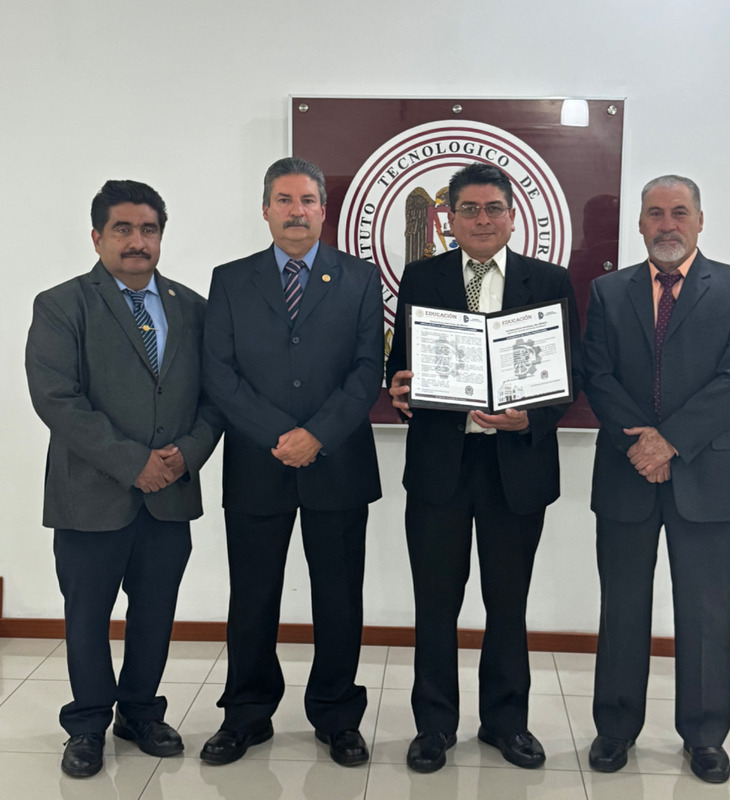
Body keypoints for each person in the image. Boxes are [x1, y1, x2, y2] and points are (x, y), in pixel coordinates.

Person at [386, 163, 581, 773]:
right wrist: (400, 388)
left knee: (508, 601)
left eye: (494, 208)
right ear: (449, 218)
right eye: (468, 209)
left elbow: (569, 376)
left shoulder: (548, 280)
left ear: (513, 216)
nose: (482, 219)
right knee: (435, 602)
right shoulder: (422, 277)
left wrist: (532, 419)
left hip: (515, 466)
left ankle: (506, 722)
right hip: (441, 465)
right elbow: (399, 367)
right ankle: (434, 725)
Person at [25, 180, 220, 778]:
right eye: (123, 229)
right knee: (87, 615)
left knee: (155, 612)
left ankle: (139, 713)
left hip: (170, 494)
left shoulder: (193, 308)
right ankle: (87, 724)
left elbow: (216, 398)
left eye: (148, 229)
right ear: (97, 237)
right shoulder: (62, 304)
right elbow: (57, 399)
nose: (138, 241)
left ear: (161, 236)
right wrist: (134, 462)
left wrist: (187, 454)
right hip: (91, 494)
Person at [201, 157, 383, 767]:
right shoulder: (230, 280)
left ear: (324, 210)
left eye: (307, 200)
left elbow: (368, 371)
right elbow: (219, 373)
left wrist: (317, 435)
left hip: (338, 462)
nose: (296, 211)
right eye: (284, 200)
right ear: (265, 210)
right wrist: (281, 434)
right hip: (258, 461)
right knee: (252, 597)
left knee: (339, 597)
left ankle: (337, 715)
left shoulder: (360, 279)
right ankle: (246, 714)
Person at [582, 175, 730, 784]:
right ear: (640, 224)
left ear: (700, 220)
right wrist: (643, 445)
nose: (667, 224)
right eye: (655, 213)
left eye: (679, 212)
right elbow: (597, 374)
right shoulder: (609, 291)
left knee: (707, 614)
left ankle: (705, 736)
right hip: (627, 470)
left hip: (709, 474)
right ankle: (615, 729)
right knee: (622, 609)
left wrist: (670, 441)